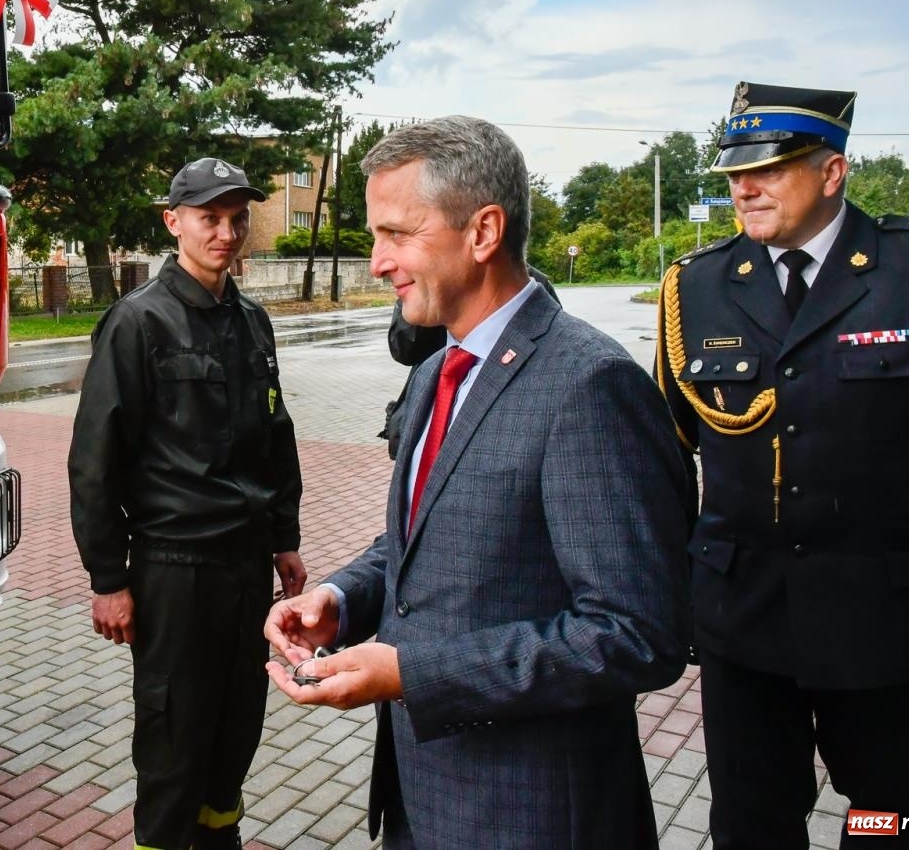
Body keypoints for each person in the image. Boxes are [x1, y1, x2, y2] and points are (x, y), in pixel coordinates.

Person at [264, 117, 690, 849]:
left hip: (530, 815)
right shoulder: (436, 372)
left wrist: (415, 673)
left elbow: (637, 634)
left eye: (397, 233)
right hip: (424, 799)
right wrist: (340, 599)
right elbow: (424, 536)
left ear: (484, 231)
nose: (376, 262)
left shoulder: (590, 384)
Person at [655, 81, 909, 850]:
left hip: (888, 622)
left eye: (769, 169)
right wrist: (675, 588)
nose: (743, 188)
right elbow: (666, 455)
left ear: (832, 172)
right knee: (752, 822)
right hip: (742, 620)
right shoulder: (699, 285)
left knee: (891, 818)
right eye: (733, 173)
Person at [69, 157, 305, 850]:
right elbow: (94, 461)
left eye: (237, 219)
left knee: (234, 737)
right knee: (174, 748)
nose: (226, 233)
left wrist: (283, 536)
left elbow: (277, 437)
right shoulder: (138, 323)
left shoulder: (253, 321)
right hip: (174, 570)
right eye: (210, 218)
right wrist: (108, 578)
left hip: (245, 569)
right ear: (173, 222)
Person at [378, 270, 559, 458]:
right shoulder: (428, 283)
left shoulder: (533, 286)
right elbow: (403, 350)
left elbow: (553, 357)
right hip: (433, 414)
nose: (378, 267)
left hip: (505, 426)